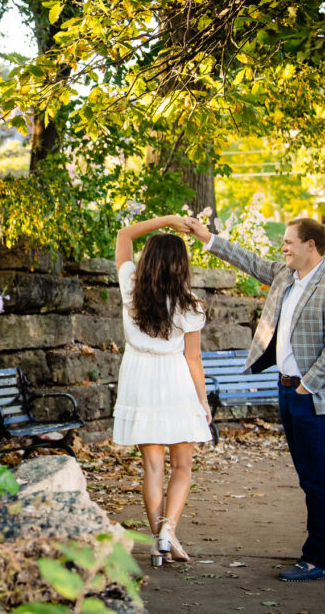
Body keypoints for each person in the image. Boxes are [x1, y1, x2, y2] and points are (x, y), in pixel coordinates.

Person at [185, 216, 325, 582]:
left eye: (289, 242)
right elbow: (248, 260)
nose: (284, 248)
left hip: (310, 395)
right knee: (315, 473)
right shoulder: (285, 276)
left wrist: (307, 385)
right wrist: (207, 238)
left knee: (313, 477)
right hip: (287, 388)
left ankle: (316, 558)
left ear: (311, 246)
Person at [111, 215, 213, 568]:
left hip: (139, 378)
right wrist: (202, 401)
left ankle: (160, 542)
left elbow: (124, 234)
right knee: (182, 465)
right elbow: (194, 359)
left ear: (147, 260)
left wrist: (167, 221)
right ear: (180, 267)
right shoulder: (191, 305)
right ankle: (168, 531)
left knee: (152, 466)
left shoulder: (130, 287)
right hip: (175, 380)